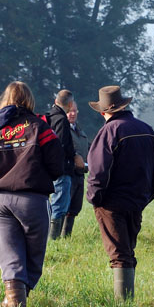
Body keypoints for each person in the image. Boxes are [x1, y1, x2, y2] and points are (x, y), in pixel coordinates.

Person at [0, 81, 64, 307]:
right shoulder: (41, 128)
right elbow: (57, 166)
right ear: (29, 101)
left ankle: (12, 304)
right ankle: (17, 304)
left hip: (2, 201)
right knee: (33, 257)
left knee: (10, 255)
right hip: (33, 199)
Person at [87, 85, 154, 301]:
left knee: (119, 255)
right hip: (137, 202)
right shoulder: (147, 129)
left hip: (112, 204)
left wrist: (95, 198)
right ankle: (127, 300)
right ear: (123, 106)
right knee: (128, 250)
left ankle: (124, 306)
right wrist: (145, 198)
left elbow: (98, 171)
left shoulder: (109, 131)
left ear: (103, 112)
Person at [44, 89, 82, 240]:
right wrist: (74, 156)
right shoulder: (61, 119)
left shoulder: (49, 117)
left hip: (50, 169)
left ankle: (53, 239)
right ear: (70, 103)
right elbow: (60, 145)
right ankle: (53, 240)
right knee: (59, 206)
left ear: (55, 101)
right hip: (62, 170)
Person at [63, 100, 89, 237]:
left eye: (74, 111)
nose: (72, 114)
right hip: (67, 174)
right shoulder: (63, 130)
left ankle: (66, 238)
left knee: (74, 208)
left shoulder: (79, 130)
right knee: (63, 208)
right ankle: (56, 240)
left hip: (80, 174)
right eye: (69, 111)